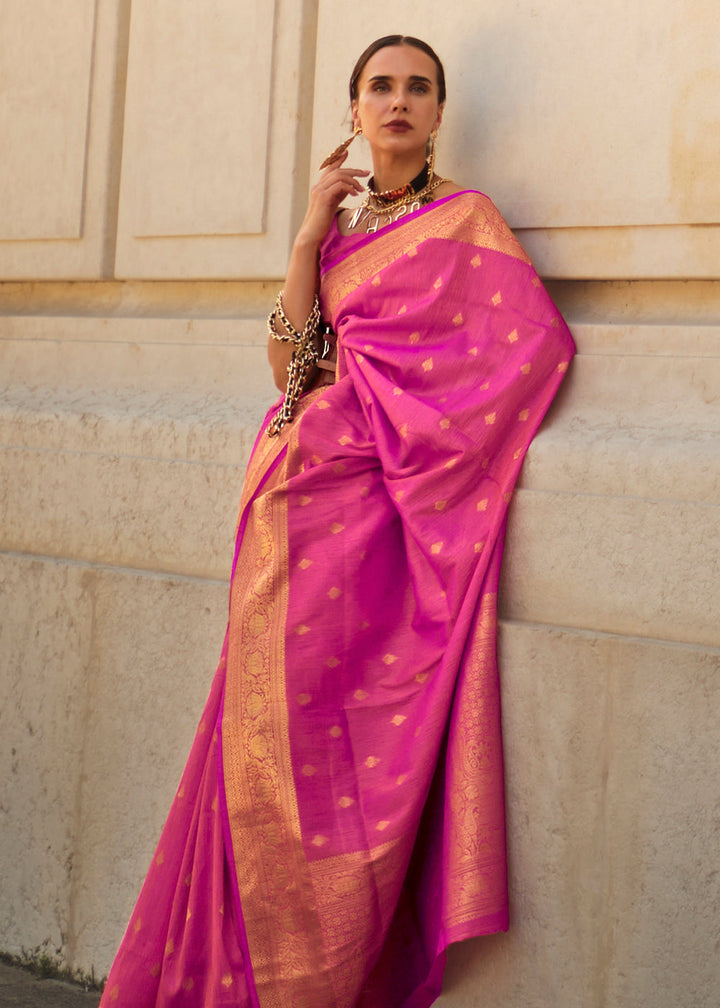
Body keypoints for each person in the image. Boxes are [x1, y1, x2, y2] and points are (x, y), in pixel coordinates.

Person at [100, 35, 575, 1008]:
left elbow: (529, 349)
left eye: (418, 89)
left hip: (378, 519)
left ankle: (315, 971)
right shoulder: (346, 228)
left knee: (335, 739)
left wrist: (398, 430)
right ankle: (247, 968)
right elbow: (290, 371)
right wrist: (309, 238)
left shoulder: (467, 225)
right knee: (260, 738)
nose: (398, 102)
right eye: (380, 87)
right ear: (352, 111)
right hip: (285, 518)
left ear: (440, 114)